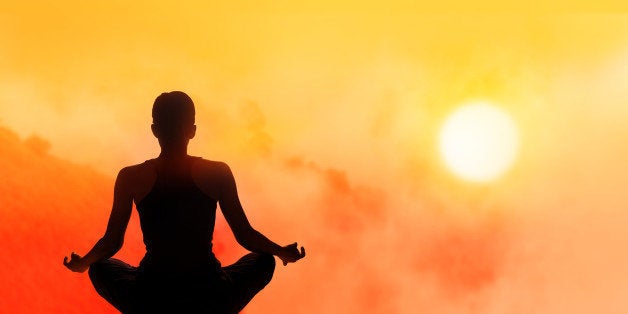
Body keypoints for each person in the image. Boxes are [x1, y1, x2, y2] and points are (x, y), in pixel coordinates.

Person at [63, 91, 305, 313]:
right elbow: (245, 235)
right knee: (263, 261)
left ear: (155, 129)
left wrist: (84, 262)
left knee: (99, 267)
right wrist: (280, 251)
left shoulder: (130, 176)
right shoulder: (217, 172)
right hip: (209, 289)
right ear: (192, 130)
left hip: (151, 291)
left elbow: (112, 241)